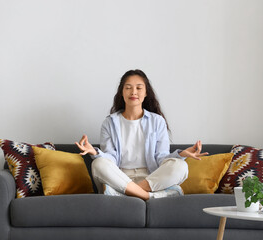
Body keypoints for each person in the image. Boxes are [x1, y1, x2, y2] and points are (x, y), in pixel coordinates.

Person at [75, 69, 208, 200]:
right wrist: (94, 152)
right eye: (128, 88)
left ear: (145, 93)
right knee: (98, 164)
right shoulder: (109, 122)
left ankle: (124, 193)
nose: (133, 92)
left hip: (151, 178)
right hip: (120, 177)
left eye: (139, 88)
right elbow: (111, 159)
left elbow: (161, 158)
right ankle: (149, 196)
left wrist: (181, 154)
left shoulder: (157, 121)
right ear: (122, 92)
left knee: (181, 166)